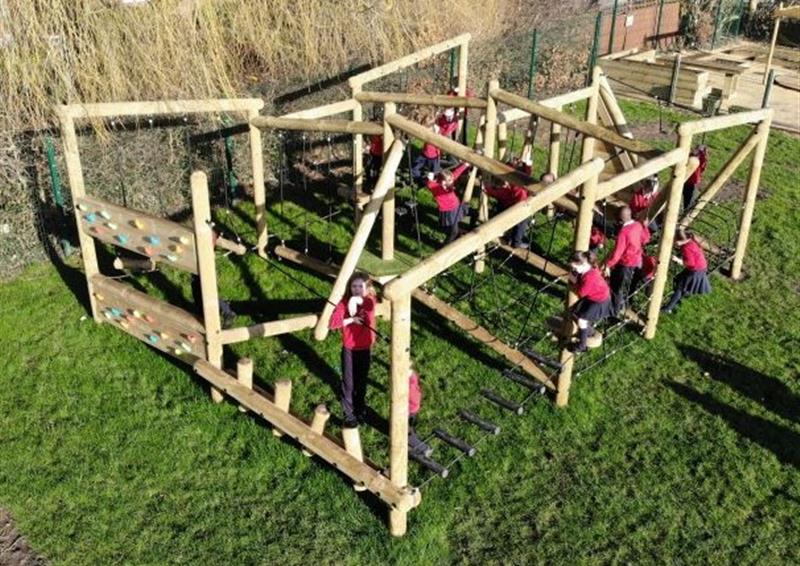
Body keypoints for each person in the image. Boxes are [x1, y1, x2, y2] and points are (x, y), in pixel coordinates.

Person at [329, 272, 377, 427]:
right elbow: (333, 324)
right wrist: (350, 319)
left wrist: (356, 300)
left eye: (360, 286)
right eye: (353, 286)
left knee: (361, 382)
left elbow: (368, 311)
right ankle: (349, 414)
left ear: (367, 289)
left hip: (365, 348)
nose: (356, 289)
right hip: (349, 348)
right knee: (349, 383)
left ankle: (360, 409)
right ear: (349, 287)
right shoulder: (343, 303)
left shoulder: (369, 301)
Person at [604, 206, 650, 316]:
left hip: (625, 263)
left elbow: (618, 253)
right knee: (625, 286)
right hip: (636, 261)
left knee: (616, 287)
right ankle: (621, 305)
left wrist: (608, 265)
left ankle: (614, 311)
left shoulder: (623, 232)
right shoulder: (638, 225)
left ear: (620, 220)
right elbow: (646, 239)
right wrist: (645, 227)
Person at [568, 250, 614, 353]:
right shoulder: (590, 269)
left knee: (582, 321)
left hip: (600, 302)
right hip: (595, 297)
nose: (574, 269)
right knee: (575, 312)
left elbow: (581, 293)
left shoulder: (589, 278)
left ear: (583, 264)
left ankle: (582, 345)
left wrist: (574, 281)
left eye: (575, 268)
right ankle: (586, 331)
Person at [661, 227, 712, 313]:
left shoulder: (686, 248)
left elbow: (690, 263)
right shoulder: (690, 241)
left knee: (680, 288)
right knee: (678, 279)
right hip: (701, 267)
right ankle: (679, 299)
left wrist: (677, 260)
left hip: (696, 270)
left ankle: (668, 308)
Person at [425, 161, 471, 243]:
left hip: (456, 207)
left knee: (473, 213)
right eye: (450, 180)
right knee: (453, 232)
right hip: (449, 211)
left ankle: (468, 230)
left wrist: (465, 165)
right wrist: (429, 179)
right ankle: (446, 247)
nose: (452, 181)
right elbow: (430, 185)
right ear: (443, 182)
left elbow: (456, 173)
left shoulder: (449, 183)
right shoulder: (437, 189)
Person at [411, 110, 459, 182]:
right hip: (424, 153)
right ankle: (417, 178)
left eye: (426, 128)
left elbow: (444, 136)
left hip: (434, 156)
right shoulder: (430, 129)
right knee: (415, 166)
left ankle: (430, 182)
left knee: (433, 171)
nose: (425, 129)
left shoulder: (437, 132)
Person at [482, 179, 530, 248]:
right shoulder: (515, 188)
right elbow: (502, 193)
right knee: (522, 220)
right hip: (514, 208)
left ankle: (513, 239)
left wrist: (487, 189)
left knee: (521, 219)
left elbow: (502, 193)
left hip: (516, 207)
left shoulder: (516, 189)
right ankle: (516, 241)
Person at [408, 364, 433, 457]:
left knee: (406, 434)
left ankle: (424, 449)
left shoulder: (410, 388)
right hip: (413, 410)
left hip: (409, 412)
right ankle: (421, 446)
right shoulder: (413, 376)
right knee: (410, 429)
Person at [683, 145, 709, 212]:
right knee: (686, 197)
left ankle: (687, 211)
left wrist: (703, 152)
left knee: (689, 199)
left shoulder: (699, 160)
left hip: (692, 182)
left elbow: (703, 162)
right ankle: (686, 210)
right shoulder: (690, 156)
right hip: (686, 180)